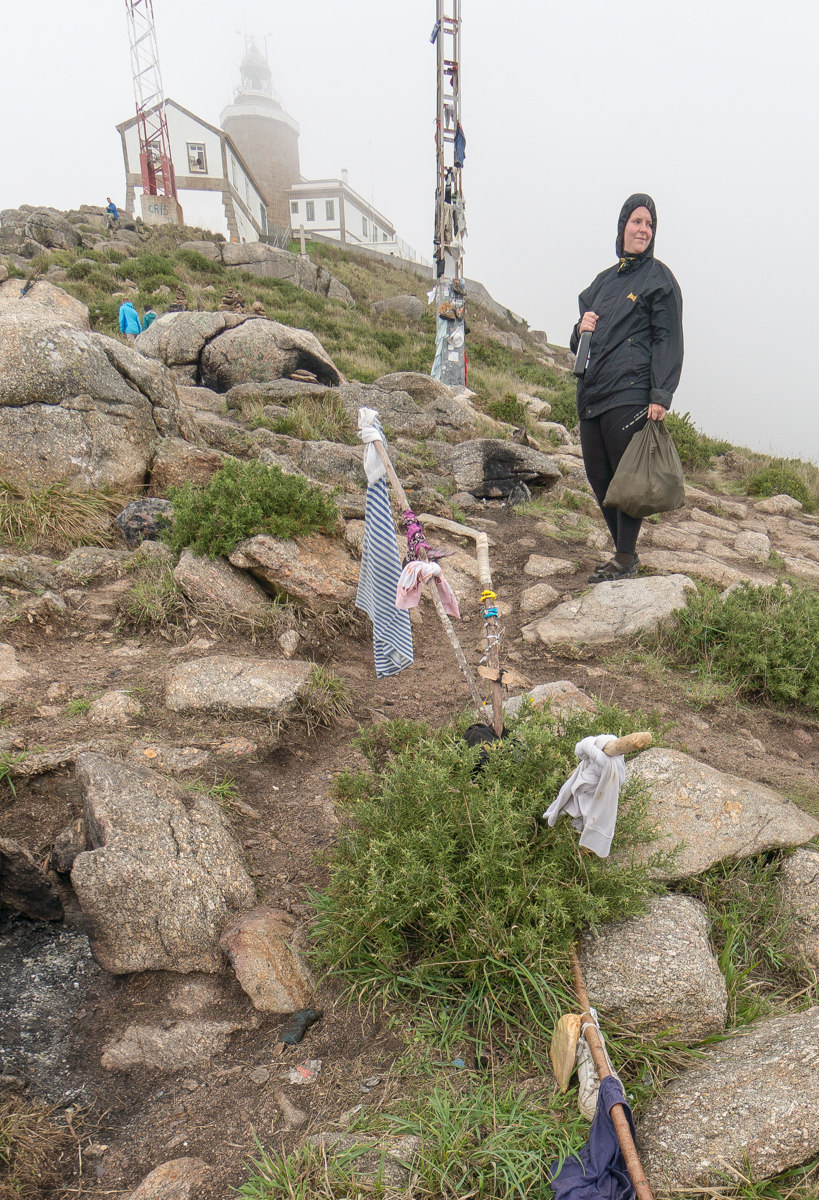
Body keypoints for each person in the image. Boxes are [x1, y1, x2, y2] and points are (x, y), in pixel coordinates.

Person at [570, 193, 683, 583]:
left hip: (631, 391)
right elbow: (581, 337)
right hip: (593, 393)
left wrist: (661, 394)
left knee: (628, 478)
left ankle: (624, 556)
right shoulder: (602, 282)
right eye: (637, 222)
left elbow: (668, 337)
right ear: (622, 228)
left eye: (649, 224)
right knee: (599, 476)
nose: (643, 230)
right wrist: (578, 329)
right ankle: (623, 553)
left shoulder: (658, 279)